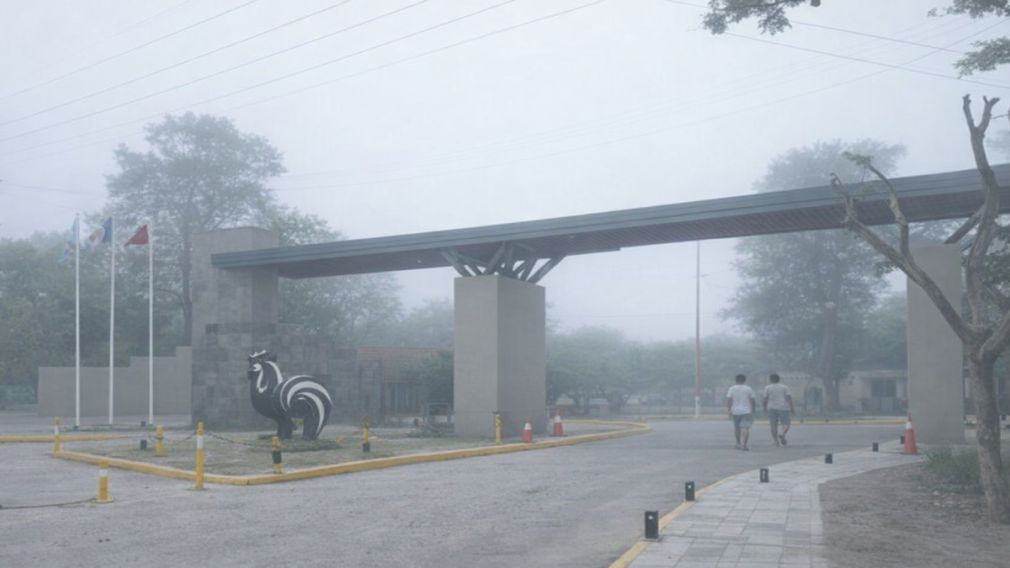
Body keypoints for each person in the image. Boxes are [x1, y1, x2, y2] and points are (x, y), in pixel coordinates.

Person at [763, 373, 794, 447]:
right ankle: (782, 433)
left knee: (773, 425)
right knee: (786, 423)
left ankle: (776, 441)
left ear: (770, 380)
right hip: (783, 408)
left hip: (771, 408)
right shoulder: (784, 387)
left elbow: (765, 399)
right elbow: (789, 398)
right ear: (779, 379)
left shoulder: (767, 388)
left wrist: (764, 408)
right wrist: (792, 408)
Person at [726, 374, 755, 450]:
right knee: (745, 428)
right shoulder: (748, 389)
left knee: (737, 428)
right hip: (746, 411)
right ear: (744, 380)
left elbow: (729, 400)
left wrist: (729, 410)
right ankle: (744, 444)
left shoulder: (731, 389)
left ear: (736, 380)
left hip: (735, 411)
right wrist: (752, 410)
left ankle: (738, 443)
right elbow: (752, 400)